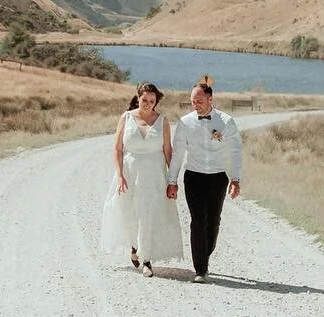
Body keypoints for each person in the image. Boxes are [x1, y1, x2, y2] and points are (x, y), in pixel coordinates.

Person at [99, 82, 184, 276]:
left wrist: (172, 180)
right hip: (130, 172)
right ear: (138, 98)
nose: (148, 104)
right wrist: (120, 175)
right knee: (130, 212)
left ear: (156, 102)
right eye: (144, 100)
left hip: (154, 175)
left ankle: (147, 260)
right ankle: (134, 247)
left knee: (149, 214)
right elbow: (118, 149)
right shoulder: (126, 117)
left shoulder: (162, 121)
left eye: (152, 101)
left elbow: (168, 151)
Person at [166, 79, 242, 282]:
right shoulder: (185, 123)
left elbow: (235, 151)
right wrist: (172, 181)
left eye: (199, 101)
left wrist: (235, 179)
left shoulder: (226, 122)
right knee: (198, 221)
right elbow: (178, 154)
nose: (195, 105)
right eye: (193, 101)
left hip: (218, 178)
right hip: (194, 177)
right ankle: (200, 269)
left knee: (213, 222)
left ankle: (203, 255)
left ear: (210, 99)